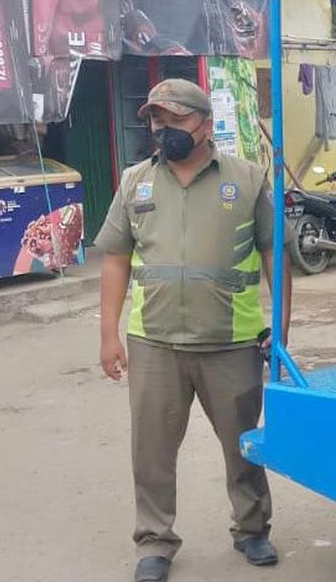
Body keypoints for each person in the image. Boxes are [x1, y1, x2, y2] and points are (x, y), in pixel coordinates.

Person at [95, 79, 291, 582]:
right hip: (155, 342)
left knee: (242, 443)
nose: (164, 130)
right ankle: (154, 542)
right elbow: (115, 259)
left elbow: (275, 253)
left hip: (230, 341)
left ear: (205, 124)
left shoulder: (247, 179)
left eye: (176, 120)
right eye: (157, 121)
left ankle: (252, 529)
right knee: (152, 451)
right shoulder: (135, 181)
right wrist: (109, 335)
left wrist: (282, 333)